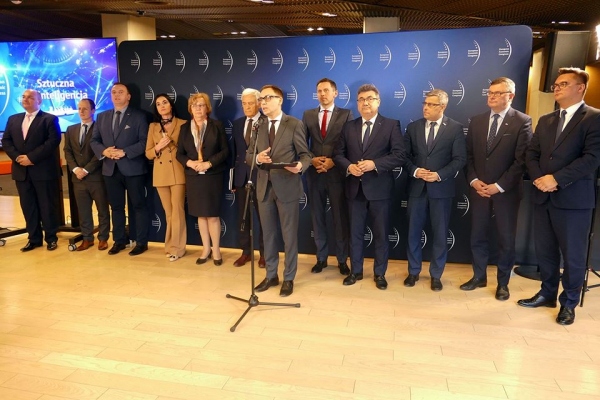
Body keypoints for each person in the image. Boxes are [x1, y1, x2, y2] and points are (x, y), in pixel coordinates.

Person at [519, 67, 600, 325]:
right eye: (556, 84)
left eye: (564, 83)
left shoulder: (594, 118)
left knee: (573, 255)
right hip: (543, 196)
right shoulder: (546, 120)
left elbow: (592, 158)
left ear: (580, 88)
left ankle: (569, 303)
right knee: (546, 251)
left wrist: (556, 179)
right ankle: (547, 293)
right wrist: (540, 179)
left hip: (574, 200)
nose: (557, 87)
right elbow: (532, 154)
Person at [461, 77, 532, 300]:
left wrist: (499, 186)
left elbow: (521, 160)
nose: (491, 96)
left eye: (497, 93)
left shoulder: (522, 121)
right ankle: (479, 276)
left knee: (505, 239)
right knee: (478, 235)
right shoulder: (477, 121)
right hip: (479, 189)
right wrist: (474, 180)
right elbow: (468, 156)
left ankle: (503, 283)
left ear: (510, 96)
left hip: (506, 192)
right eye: (490, 92)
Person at [333, 83, 405, 290]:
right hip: (354, 189)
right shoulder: (349, 126)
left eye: (370, 99)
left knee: (381, 234)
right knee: (355, 234)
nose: (365, 103)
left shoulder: (391, 125)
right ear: (357, 103)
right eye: (361, 99)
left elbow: (399, 155)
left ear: (378, 101)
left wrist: (375, 164)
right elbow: (338, 154)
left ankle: (380, 274)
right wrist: (349, 167)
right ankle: (355, 271)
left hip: (380, 190)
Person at [246, 84, 311, 297]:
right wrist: (257, 158)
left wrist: (300, 166)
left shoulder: (294, 124)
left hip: (287, 186)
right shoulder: (258, 125)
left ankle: (289, 278)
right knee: (269, 235)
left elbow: (305, 155)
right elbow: (249, 155)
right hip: (264, 187)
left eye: (268, 98)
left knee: (289, 236)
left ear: (280, 100)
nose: (263, 103)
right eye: (261, 99)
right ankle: (271, 275)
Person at [404, 89, 466, 291]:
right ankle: (413, 272)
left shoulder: (455, 128)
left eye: (431, 104)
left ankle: (436, 275)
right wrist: (415, 171)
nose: (426, 107)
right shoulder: (413, 127)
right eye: (425, 103)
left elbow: (459, 159)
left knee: (440, 234)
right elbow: (403, 157)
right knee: (413, 232)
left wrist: (439, 174)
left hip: (441, 190)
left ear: (443, 107)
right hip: (417, 189)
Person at [90, 82, 150, 256]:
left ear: (128, 96)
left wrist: (125, 152)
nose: (116, 95)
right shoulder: (102, 117)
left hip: (133, 168)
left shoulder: (139, 116)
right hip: (110, 169)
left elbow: (144, 142)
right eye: (114, 92)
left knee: (138, 206)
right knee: (116, 207)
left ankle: (141, 242)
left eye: (121, 92)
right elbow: (94, 141)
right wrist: (104, 151)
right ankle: (119, 241)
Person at [302, 78, 354, 275]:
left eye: (326, 90)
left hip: (337, 173)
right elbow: (302, 143)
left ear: (335, 93)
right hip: (315, 173)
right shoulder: (308, 115)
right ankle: (321, 258)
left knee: (340, 218)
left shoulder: (346, 114)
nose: (322, 94)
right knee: (317, 217)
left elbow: (350, 143)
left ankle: (342, 259)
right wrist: (312, 159)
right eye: (319, 91)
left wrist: (334, 161)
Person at [1, 89, 61, 251]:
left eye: (30, 97)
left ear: (39, 101)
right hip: (21, 171)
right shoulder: (13, 119)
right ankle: (34, 239)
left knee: (47, 206)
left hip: (43, 171)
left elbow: (53, 141)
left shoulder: (49, 119)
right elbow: (6, 141)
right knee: (28, 207)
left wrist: (31, 158)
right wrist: (18, 157)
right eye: (24, 97)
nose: (25, 99)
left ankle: (51, 238)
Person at [176, 93, 229, 266]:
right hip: (194, 176)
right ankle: (205, 249)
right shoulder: (184, 128)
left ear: (207, 108)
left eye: (201, 105)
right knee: (201, 215)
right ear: (190, 109)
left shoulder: (217, 126)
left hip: (212, 175)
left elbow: (225, 151)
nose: (198, 109)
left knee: (212, 215)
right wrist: (190, 163)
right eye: (194, 105)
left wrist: (209, 163)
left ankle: (216, 250)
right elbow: (179, 153)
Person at [63, 99, 111, 251]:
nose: (81, 111)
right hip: (77, 178)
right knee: (83, 211)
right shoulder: (71, 129)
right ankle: (87, 238)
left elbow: (101, 152)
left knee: (102, 210)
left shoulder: (101, 128)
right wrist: (75, 169)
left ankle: (103, 238)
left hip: (96, 177)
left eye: (85, 108)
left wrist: (87, 169)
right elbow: (67, 151)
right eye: (79, 109)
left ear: (93, 110)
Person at [145, 94, 187, 261]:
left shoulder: (183, 123)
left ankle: (178, 248)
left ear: (171, 105)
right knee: (169, 213)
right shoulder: (153, 126)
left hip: (177, 171)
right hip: (160, 173)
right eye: (158, 104)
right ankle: (169, 246)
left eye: (165, 102)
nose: (162, 106)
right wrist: (158, 147)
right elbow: (148, 153)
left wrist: (170, 143)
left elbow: (187, 149)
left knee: (177, 211)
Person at [231, 88, 266, 268]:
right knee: (243, 217)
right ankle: (246, 251)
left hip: (261, 177)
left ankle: (265, 254)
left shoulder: (266, 122)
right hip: (241, 178)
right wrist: (232, 181)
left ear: (259, 103)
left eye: (250, 103)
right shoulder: (237, 124)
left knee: (264, 218)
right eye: (244, 104)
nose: (247, 107)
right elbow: (234, 153)